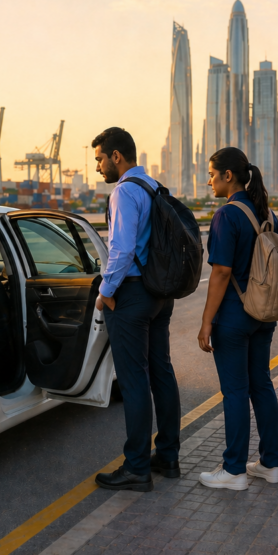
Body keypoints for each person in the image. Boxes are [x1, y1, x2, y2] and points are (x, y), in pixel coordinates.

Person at [91, 127, 182, 492]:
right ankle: (169, 456)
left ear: (116, 156)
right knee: (161, 372)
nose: (97, 166)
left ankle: (136, 467)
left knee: (133, 381)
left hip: (130, 294)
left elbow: (122, 249)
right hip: (159, 293)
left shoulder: (124, 191)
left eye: (99, 158)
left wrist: (105, 291)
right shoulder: (154, 186)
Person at [196, 147, 278, 491]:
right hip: (264, 314)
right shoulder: (268, 212)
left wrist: (206, 322)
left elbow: (220, 273)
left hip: (234, 317)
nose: (208, 181)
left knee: (235, 391)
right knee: (261, 384)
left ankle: (234, 471)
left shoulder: (226, 215)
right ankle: (270, 464)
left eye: (211, 174)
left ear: (227, 176)